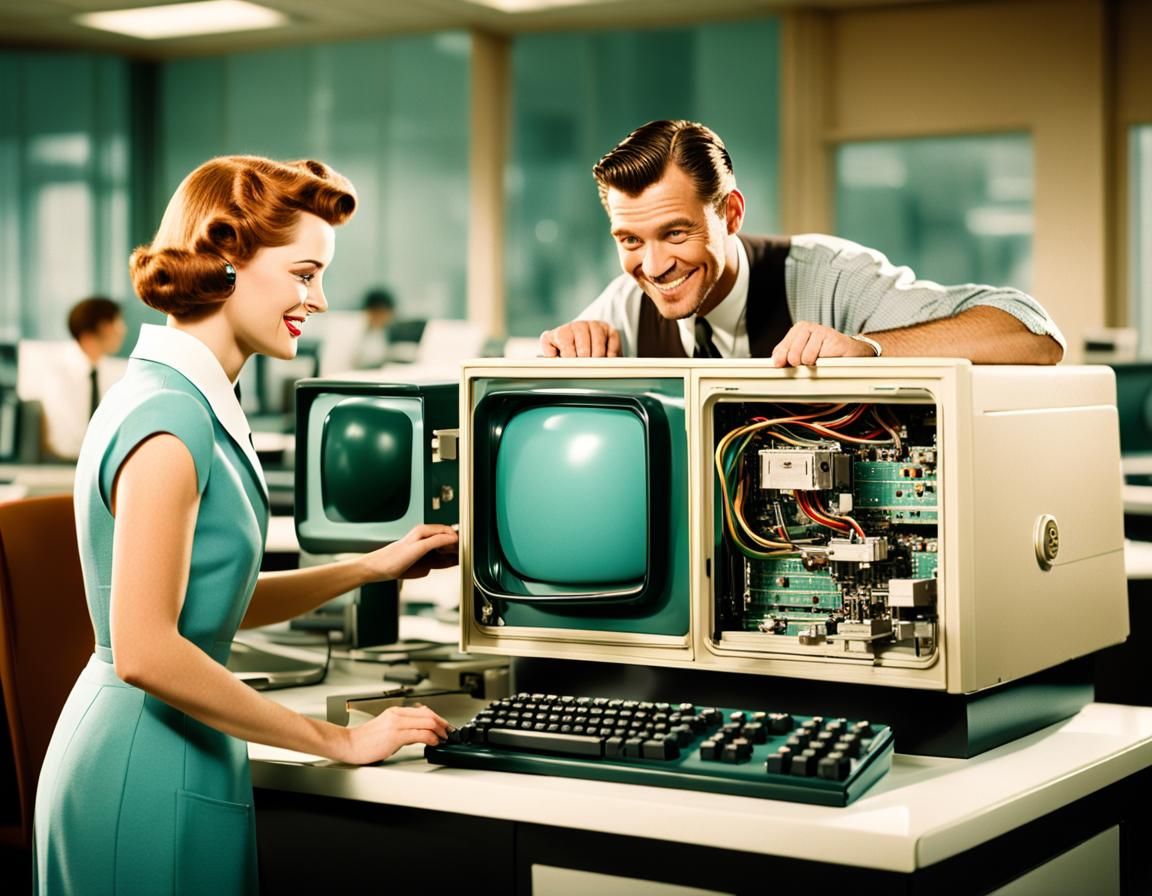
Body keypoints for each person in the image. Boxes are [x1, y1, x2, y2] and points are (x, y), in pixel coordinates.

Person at [33, 156, 458, 894]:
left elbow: (206, 605)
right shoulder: (170, 418)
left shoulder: (184, 398)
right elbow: (147, 651)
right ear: (227, 260)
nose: (319, 299)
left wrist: (369, 567)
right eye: (304, 274)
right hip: (141, 766)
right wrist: (340, 739)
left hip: (175, 747)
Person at [538, 119, 1065, 365]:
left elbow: (1034, 331)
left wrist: (868, 347)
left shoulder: (832, 278)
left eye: (675, 233)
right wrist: (566, 351)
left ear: (731, 213)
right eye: (631, 239)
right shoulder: (625, 305)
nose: (654, 266)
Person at [35, 296, 128, 460]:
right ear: (101, 327)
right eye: (116, 322)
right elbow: (63, 439)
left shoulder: (118, 372)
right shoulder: (54, 374)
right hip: (63, 463)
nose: (122, 330)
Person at [354, 286, 396, 368]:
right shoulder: (358, 333)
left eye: (382, 313)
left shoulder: (391, 333)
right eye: (376, 313)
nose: (379, 317)